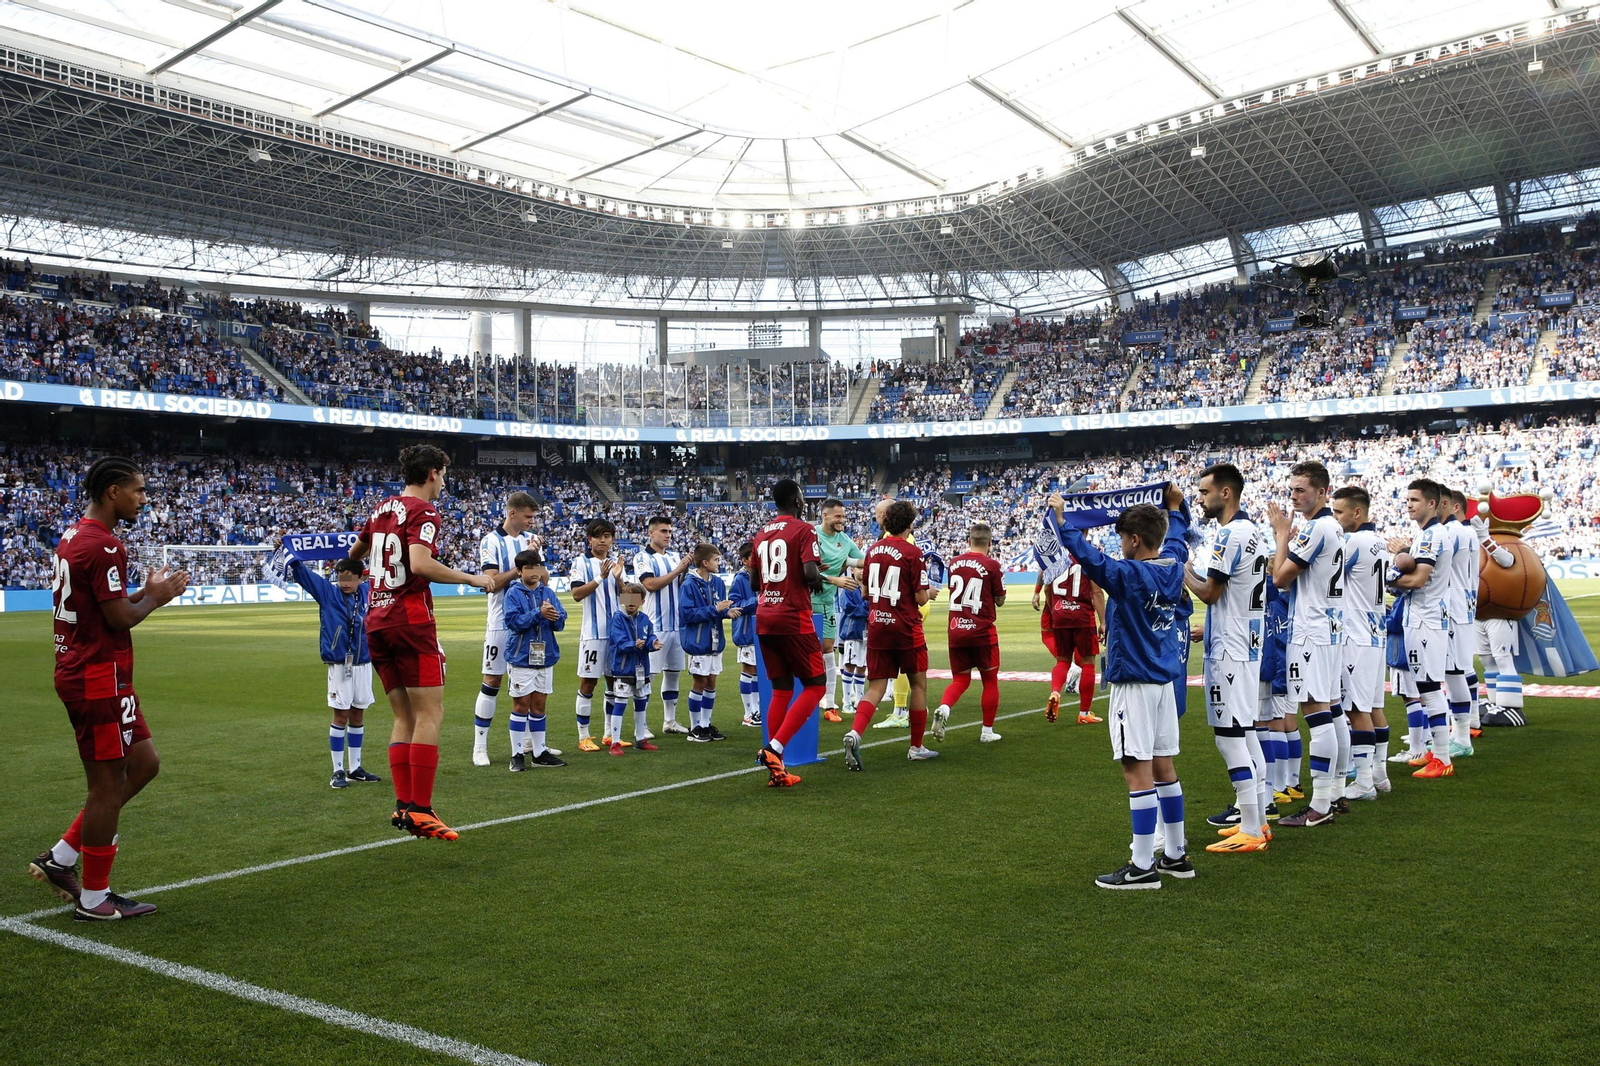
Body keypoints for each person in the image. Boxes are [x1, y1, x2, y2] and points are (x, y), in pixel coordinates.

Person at [29, 456, 190, 921]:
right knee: (106, 786)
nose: (143, 499)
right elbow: (120, 619)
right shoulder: (103, 546)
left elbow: (109, 608)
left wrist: (147, 592)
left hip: (102, 673)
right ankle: (95, 899)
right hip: (95, 675)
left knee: (144, 764)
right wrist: (154, 600)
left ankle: (61, 858)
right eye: (137, 491)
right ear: (111, 493)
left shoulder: (74, 536)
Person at [1051, 485, 1194, 889]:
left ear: (1134, 540)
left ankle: (1142, 865)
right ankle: (1176, 856)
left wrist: (1063, 522)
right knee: (1165, 767)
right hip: (1164, 682)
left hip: (1135, 682)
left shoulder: (1130, 574)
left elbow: (1093, 562)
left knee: (1137, 771)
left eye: (1122, 538)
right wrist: (1175, 508)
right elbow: (1178, 538)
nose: (1120, 545)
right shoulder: (1173, 564)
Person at [350, 444, 493, 842]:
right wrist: (472, 578)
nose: (445, 481)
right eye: (444, 473)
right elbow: (420, 564)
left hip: (376, 621)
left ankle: (403, 805)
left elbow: (355, 553)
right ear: (432, 473)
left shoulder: (381, 509)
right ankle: (423, 809)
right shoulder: (424, 511)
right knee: (430, 714)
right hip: (410, 621)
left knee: (403, 717)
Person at [1182, 463, 1270, 853]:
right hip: (1246, 642)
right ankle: (1259, 821)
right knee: (1247, 734)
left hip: (1231, 650)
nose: (1200, 499)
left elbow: (1211, 593)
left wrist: (1182, 571)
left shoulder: (1229, 534)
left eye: (1204, 492)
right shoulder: (1254, 532)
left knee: (1230, 738)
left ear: (1226, 493)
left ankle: (1251, 828)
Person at [1268, 460, 1348, 828]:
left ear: (1322, 492)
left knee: (1317, 716)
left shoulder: (1316, 529)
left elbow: (1281, 578)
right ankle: (1333, 794)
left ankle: (1319, 805)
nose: (1294, 496)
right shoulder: (1334, 526)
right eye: (1292, 489)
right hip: (1330, 629)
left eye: (1301, 490)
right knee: (1332, 712)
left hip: (1312, 632)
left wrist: (1282, 534)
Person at [841, 500, 937, 770]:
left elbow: (864, 593)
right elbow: (919, 598)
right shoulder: (913, 552)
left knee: (875, 686)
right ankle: (916, 747)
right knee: (918, 684)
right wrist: (927, 592)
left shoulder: (872, 550)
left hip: (878, 625)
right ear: (909, 524)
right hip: (906, 627)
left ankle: (855, 732)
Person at [752, 479, 828, 788]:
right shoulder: (804, 529)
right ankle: (775, 748)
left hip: (765, 618)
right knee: (816, 686)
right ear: (798, 501)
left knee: (782, 690)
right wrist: (819, 580)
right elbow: (810, 573)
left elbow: (756, 583)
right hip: (793, 618)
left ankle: (777, 770)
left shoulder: (761, 534)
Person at [287, 555, 381, 789]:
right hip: (340, 665)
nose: (344, 583)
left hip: (363, 663)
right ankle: (337, 771)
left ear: (361, 578)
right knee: (340, 716)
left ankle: (355, 768)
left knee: (358, 715)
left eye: (349, 578)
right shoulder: (328, 594)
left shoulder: (368, 591)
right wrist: (292, 557)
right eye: (341, 578)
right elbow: (305, 576)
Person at [1386, 479, 1455, 780]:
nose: (1410, 504)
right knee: (1425, 687)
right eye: (1408, 499)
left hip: (1426, 619)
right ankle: (1436, 751)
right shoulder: (1426, 535)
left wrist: (1385, 581)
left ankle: (1442, 757)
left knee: (1428, 687)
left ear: (1432, 504)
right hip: (1422, 617)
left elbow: (1416, 581)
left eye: (1415, 500)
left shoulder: (1431, 537)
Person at [1332, 485, 1391, 801]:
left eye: (1339, 512)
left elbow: (1327, 574)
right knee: (1373, 706)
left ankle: (1365, 781)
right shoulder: (1379, 541)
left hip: (1356, 634)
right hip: (1375, 631)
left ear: (1357, 512)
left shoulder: (1353, 542)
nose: (1335, 518)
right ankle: (1379, 774)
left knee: (1356, 709)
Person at [472, 491, 538, 766]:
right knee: (492, 680)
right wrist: (521, 567)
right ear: (512, 513)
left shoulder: (528, 541)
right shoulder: (491, 541)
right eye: (528, 516)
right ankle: (479, 747)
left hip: (529, 622)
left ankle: (527, 743)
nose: (532, 521)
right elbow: (491, 583)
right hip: (501, 623)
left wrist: (535, 561)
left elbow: (540, 578)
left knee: (529, 682)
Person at [935, 522, 1007, 743]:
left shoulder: (954, 563)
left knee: (960, 680)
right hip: (982, 632)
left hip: (956, 629)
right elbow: (1000, 600)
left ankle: (945, 707)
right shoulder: (992, 565)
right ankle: (986, 731)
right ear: (990, 543)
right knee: (990, 680)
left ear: (969, 541)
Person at [502, 549, 568, 771]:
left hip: (545, 656)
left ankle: (539, 753)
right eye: (529, 567)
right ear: (519, 571)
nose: (534, 571)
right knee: (521, 705)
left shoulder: (548, 592)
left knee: (539, 704)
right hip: (521, 657)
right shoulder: (513, 593)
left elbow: (561, 621)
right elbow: (513, 622)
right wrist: (538, 614)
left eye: (537, 566)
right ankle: (516, 754)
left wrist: (555, 617)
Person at [1034, 535, 1106, 726]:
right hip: (1082, 616)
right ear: (1087, 532)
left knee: (1063, 660)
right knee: (1089, 662)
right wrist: (1103, 621)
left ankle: (1056, 691)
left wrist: (1055, 609)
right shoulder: (1087, 555)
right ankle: (1084, 712)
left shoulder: (1054, 555)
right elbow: (1097, 592)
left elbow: (1047, 590)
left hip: (1060, 615)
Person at [633, 515, 691, 735]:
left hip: (676, 626)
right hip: (655, 627)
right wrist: (679, 569)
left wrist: (684, 570)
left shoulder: (675, 556)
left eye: (669, 531)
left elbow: (678, 585)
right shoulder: (642, 557)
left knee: (673, 674)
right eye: (663, 531)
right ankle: (642, 725)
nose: (668, 535)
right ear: (651, 533)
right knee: (649, 676)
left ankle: (670, 721)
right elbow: (649, 584)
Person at [570, 519, 623, 753]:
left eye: (608, 536)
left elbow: (629, 601)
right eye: (598, 536)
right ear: (589, 539)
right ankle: (583, 737)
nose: (603, 540)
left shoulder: (616, 564)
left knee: (614, 684)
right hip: (593, 634)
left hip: (616, 636)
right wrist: (601, 577)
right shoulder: (580, 562)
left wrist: (620, 579)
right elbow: (576, 594)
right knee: (588, 684)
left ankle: (609, 734)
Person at [814, 498, 865, 721]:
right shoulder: (812, 536)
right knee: (810, 652)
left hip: (826, 603)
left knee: (828, 650)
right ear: (825, 516)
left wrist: (851, 565)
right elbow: (802, 571)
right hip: (805, 603)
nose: (842, 520)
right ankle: (808, 697)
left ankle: (830, 705)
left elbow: (863, 561)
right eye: (837, 516)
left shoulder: (844, 540)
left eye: (843, 517)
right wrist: (834, 579)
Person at [680, 543, 735, 742]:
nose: (719, 563)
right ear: (705, 562)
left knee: (711, 681)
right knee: (699, 681)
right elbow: (686, 615)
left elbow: (719, 609)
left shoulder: (718, 582)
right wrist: (716, 609)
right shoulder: (689, 584)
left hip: (715, 640)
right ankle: (695, 727)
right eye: (716, 560)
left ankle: (705, 724)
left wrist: (727, 612)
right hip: (698, 641)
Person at [1440, 489, 1480, 757]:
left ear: (1452, 506)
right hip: (1464, 604)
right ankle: (1459, 731)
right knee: (1459, 671)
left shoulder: (1453, 532)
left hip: (1453, 606)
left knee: (1453, 673)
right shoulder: (1469, 532)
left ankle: (1462, 737)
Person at [606, 582, 662, 755]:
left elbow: (650, 635)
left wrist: (653, 643)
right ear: (623, 599)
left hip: (641, 669)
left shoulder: (645, 619)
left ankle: (640, 738)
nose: (631, 602)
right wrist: (633, 644)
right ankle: (615, 742)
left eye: (635, 599)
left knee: (641, 703)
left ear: (642, 601)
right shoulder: (617, 618)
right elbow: (619, 641)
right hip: (623, 670)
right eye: (628, 598)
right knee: (620, 703)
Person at [727, 541, 762, 728]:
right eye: (754, 557)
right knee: (748, 670)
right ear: (744, 560)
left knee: (757, 671)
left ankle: (757, 710)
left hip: (761, 630)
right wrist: (756, 601)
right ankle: (748, 713)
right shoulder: (740, 579)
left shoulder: (762, 575)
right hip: (746, 630)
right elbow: (734, 604)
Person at [835, 561, 869, 722]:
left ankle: (860, 701)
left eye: (864, 568)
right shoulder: (848, 588)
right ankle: (847, 702)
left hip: (866, 634)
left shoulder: (869, 588)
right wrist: (867, 608)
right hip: (851, 632)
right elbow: (851, 609)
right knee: (849, 665)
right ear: (852, 569)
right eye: (860, 568)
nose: (862, 571)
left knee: (862, 666)